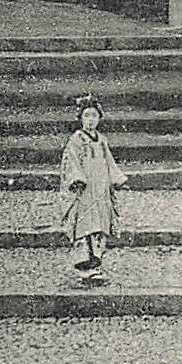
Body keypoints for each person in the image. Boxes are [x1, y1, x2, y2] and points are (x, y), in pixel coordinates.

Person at [58, 94, 128, 285]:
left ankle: (96, 264)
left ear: (99, 118)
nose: (90, 120)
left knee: (100, 224)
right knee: (85, 224)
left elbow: (109, 162)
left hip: (101, 187)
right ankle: (84, 266)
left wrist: (116, 178)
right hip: (85, 188)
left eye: (94, 116)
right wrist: (77, 179)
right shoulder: (77, 139)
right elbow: (71, 161)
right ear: (81, 118)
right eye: (87, 116)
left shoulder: (102, 140)